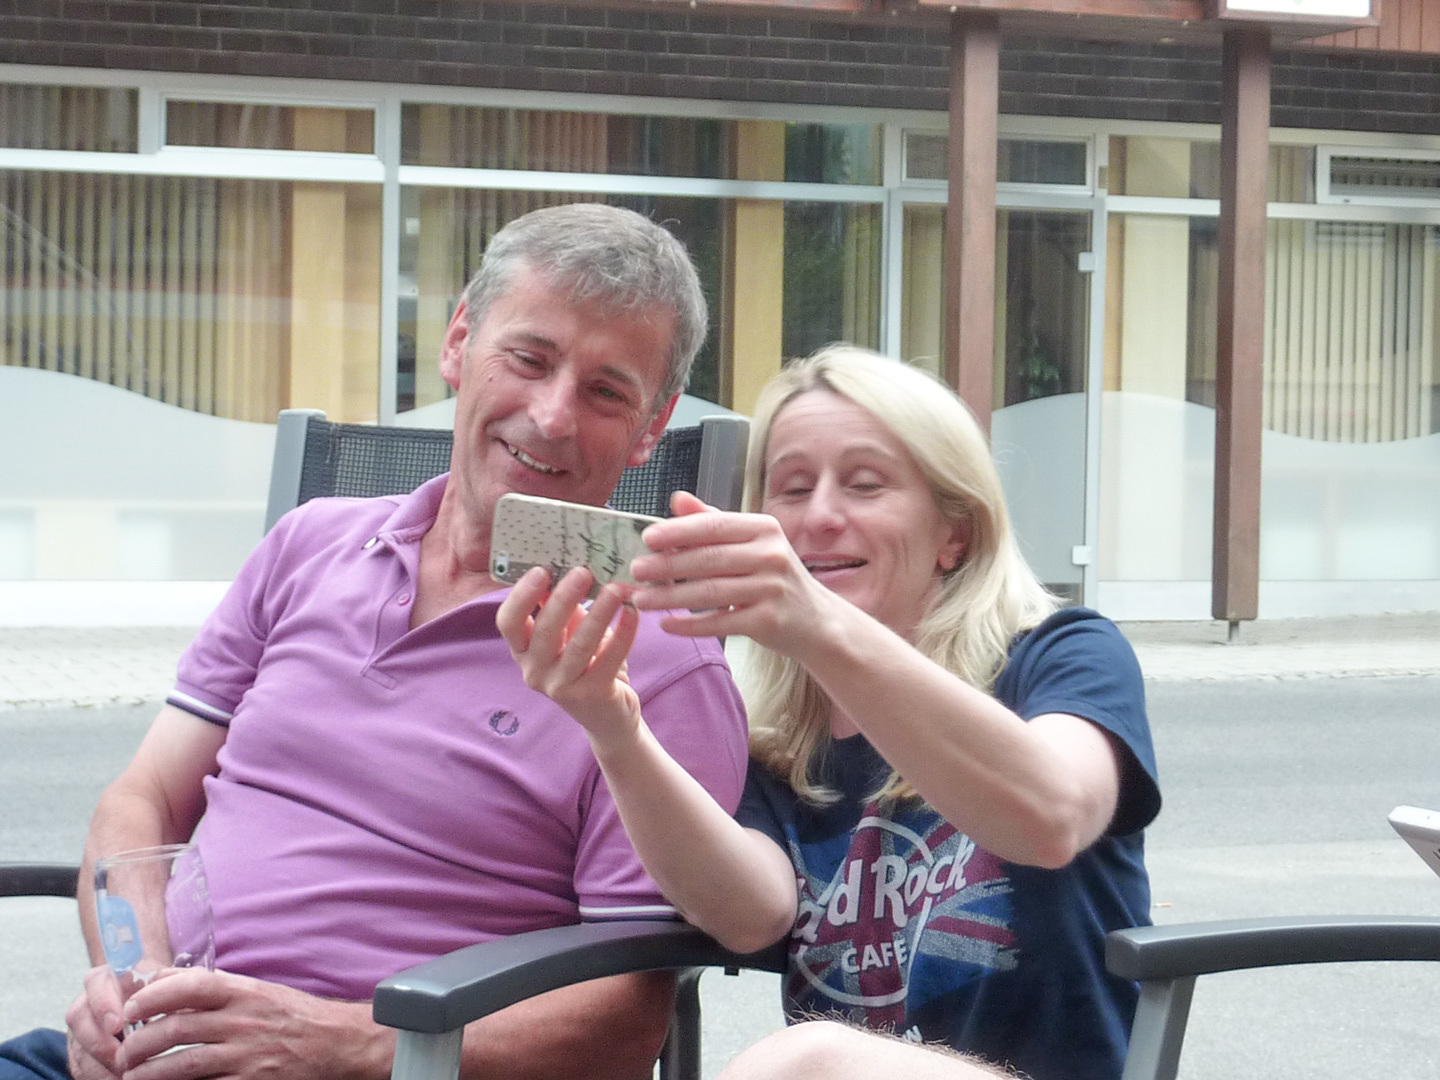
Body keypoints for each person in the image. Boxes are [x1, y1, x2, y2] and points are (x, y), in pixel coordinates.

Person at [0, 203, 749, 1080]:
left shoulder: (656, 662)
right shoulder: (308, 545)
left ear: (651, 427)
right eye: (529, 359)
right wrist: (132, 988)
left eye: (606, 391)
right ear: (458, 342)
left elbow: (625, 1021)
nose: (552, 415)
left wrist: (329, 1043)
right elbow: (141, 801)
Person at [498, 344, 1161, 1080]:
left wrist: (817, 624)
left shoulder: (1065, 654)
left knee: (808, 1060)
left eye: (865, 485)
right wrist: (614, 730)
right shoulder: (784, 739)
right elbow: (751, 916)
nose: (818, 517)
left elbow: (1053, 818)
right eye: (790, 488)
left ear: (956, 534)